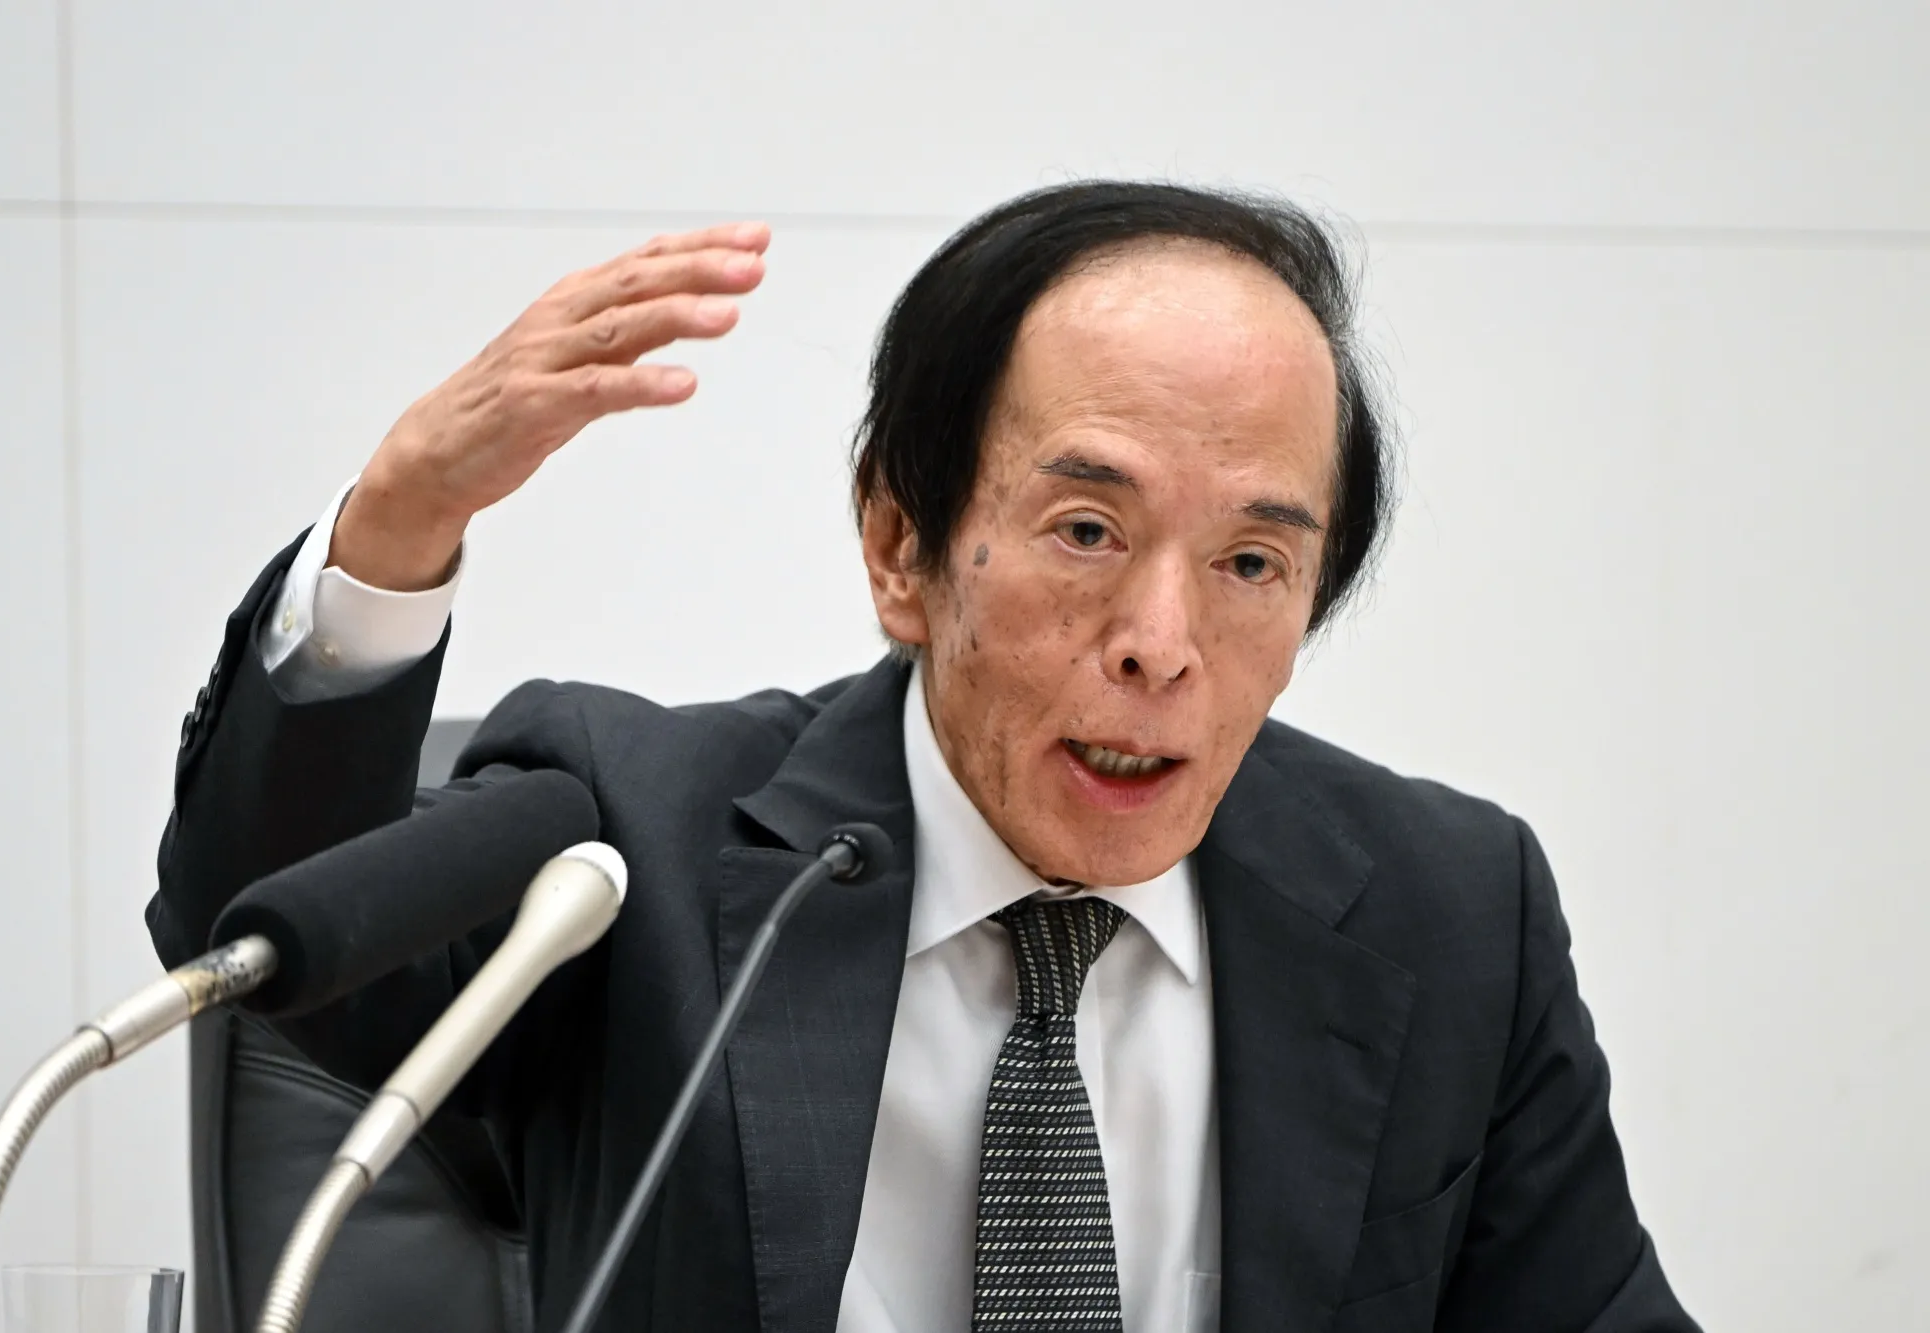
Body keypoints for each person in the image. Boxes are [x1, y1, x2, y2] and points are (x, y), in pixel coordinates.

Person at [147, 181, 1698, 1333]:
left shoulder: (1446, 910)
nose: (1162, 640)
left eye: (1250, 564)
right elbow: (276, 934)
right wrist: (399, 531)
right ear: (903, 544)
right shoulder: (647, 846)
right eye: (1088, 531)